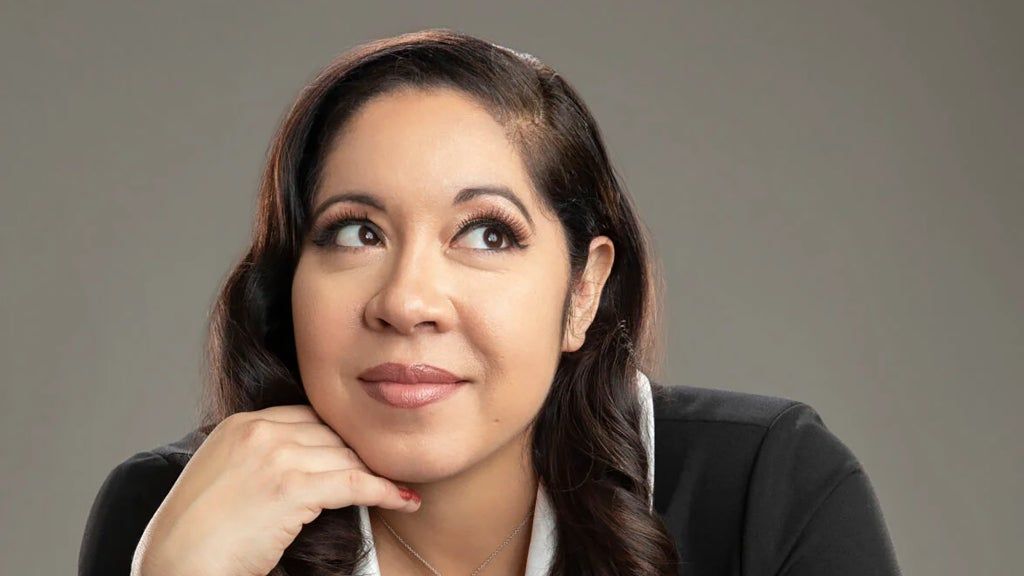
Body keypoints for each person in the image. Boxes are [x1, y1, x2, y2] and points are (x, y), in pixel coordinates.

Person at [79, 28, 902, 576]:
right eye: (356, 233)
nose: (408, 302)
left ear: (583, 290)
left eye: (486, 234)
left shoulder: (766, 487)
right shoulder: (172, 515)